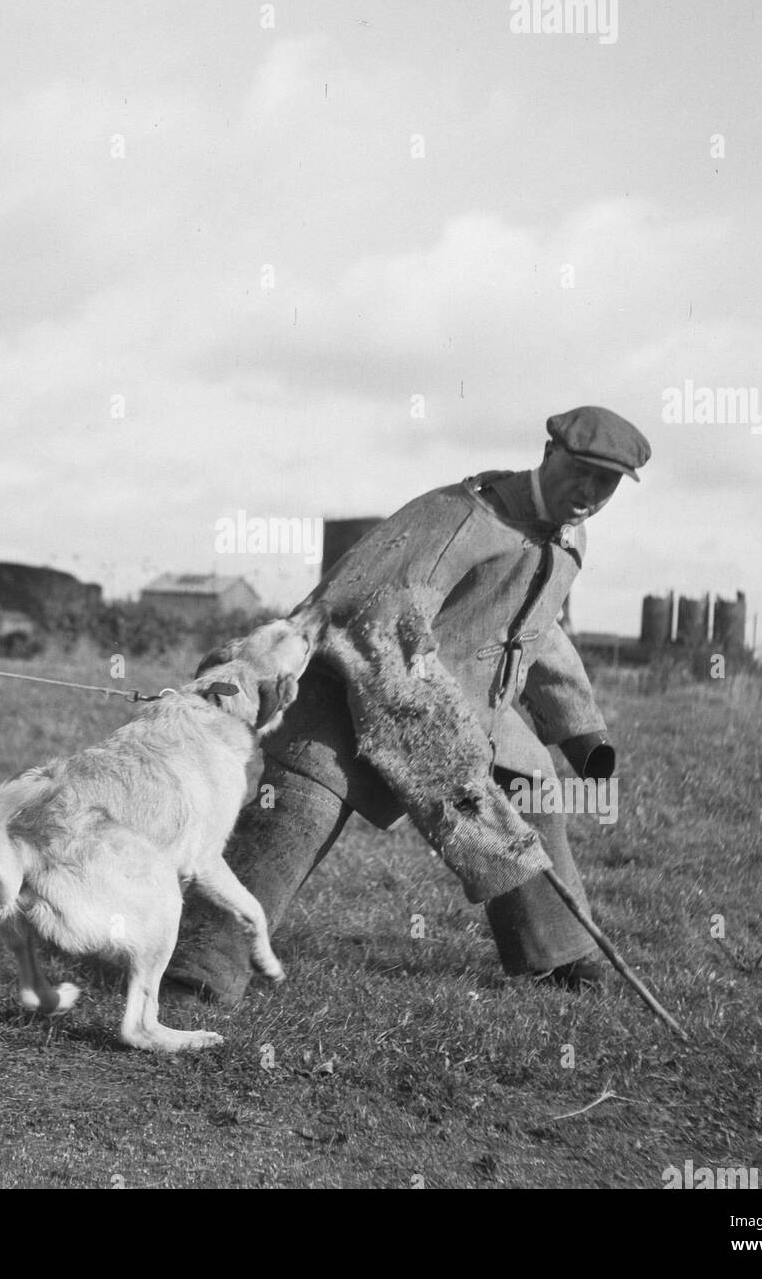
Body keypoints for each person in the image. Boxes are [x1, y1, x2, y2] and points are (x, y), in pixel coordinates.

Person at [164, 406, 652, 1006]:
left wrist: (584, 735)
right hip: (349, 694)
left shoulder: (568, 541)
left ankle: (558, 956)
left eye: (606, 483)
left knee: (534, 793)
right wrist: (433, 732)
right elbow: (376, 614)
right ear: (548, 454)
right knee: (296, 815)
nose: (589, 493)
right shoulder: (459, 518)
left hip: (475, 711)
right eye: (580, 472)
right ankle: (201, 967)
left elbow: (537, 631)